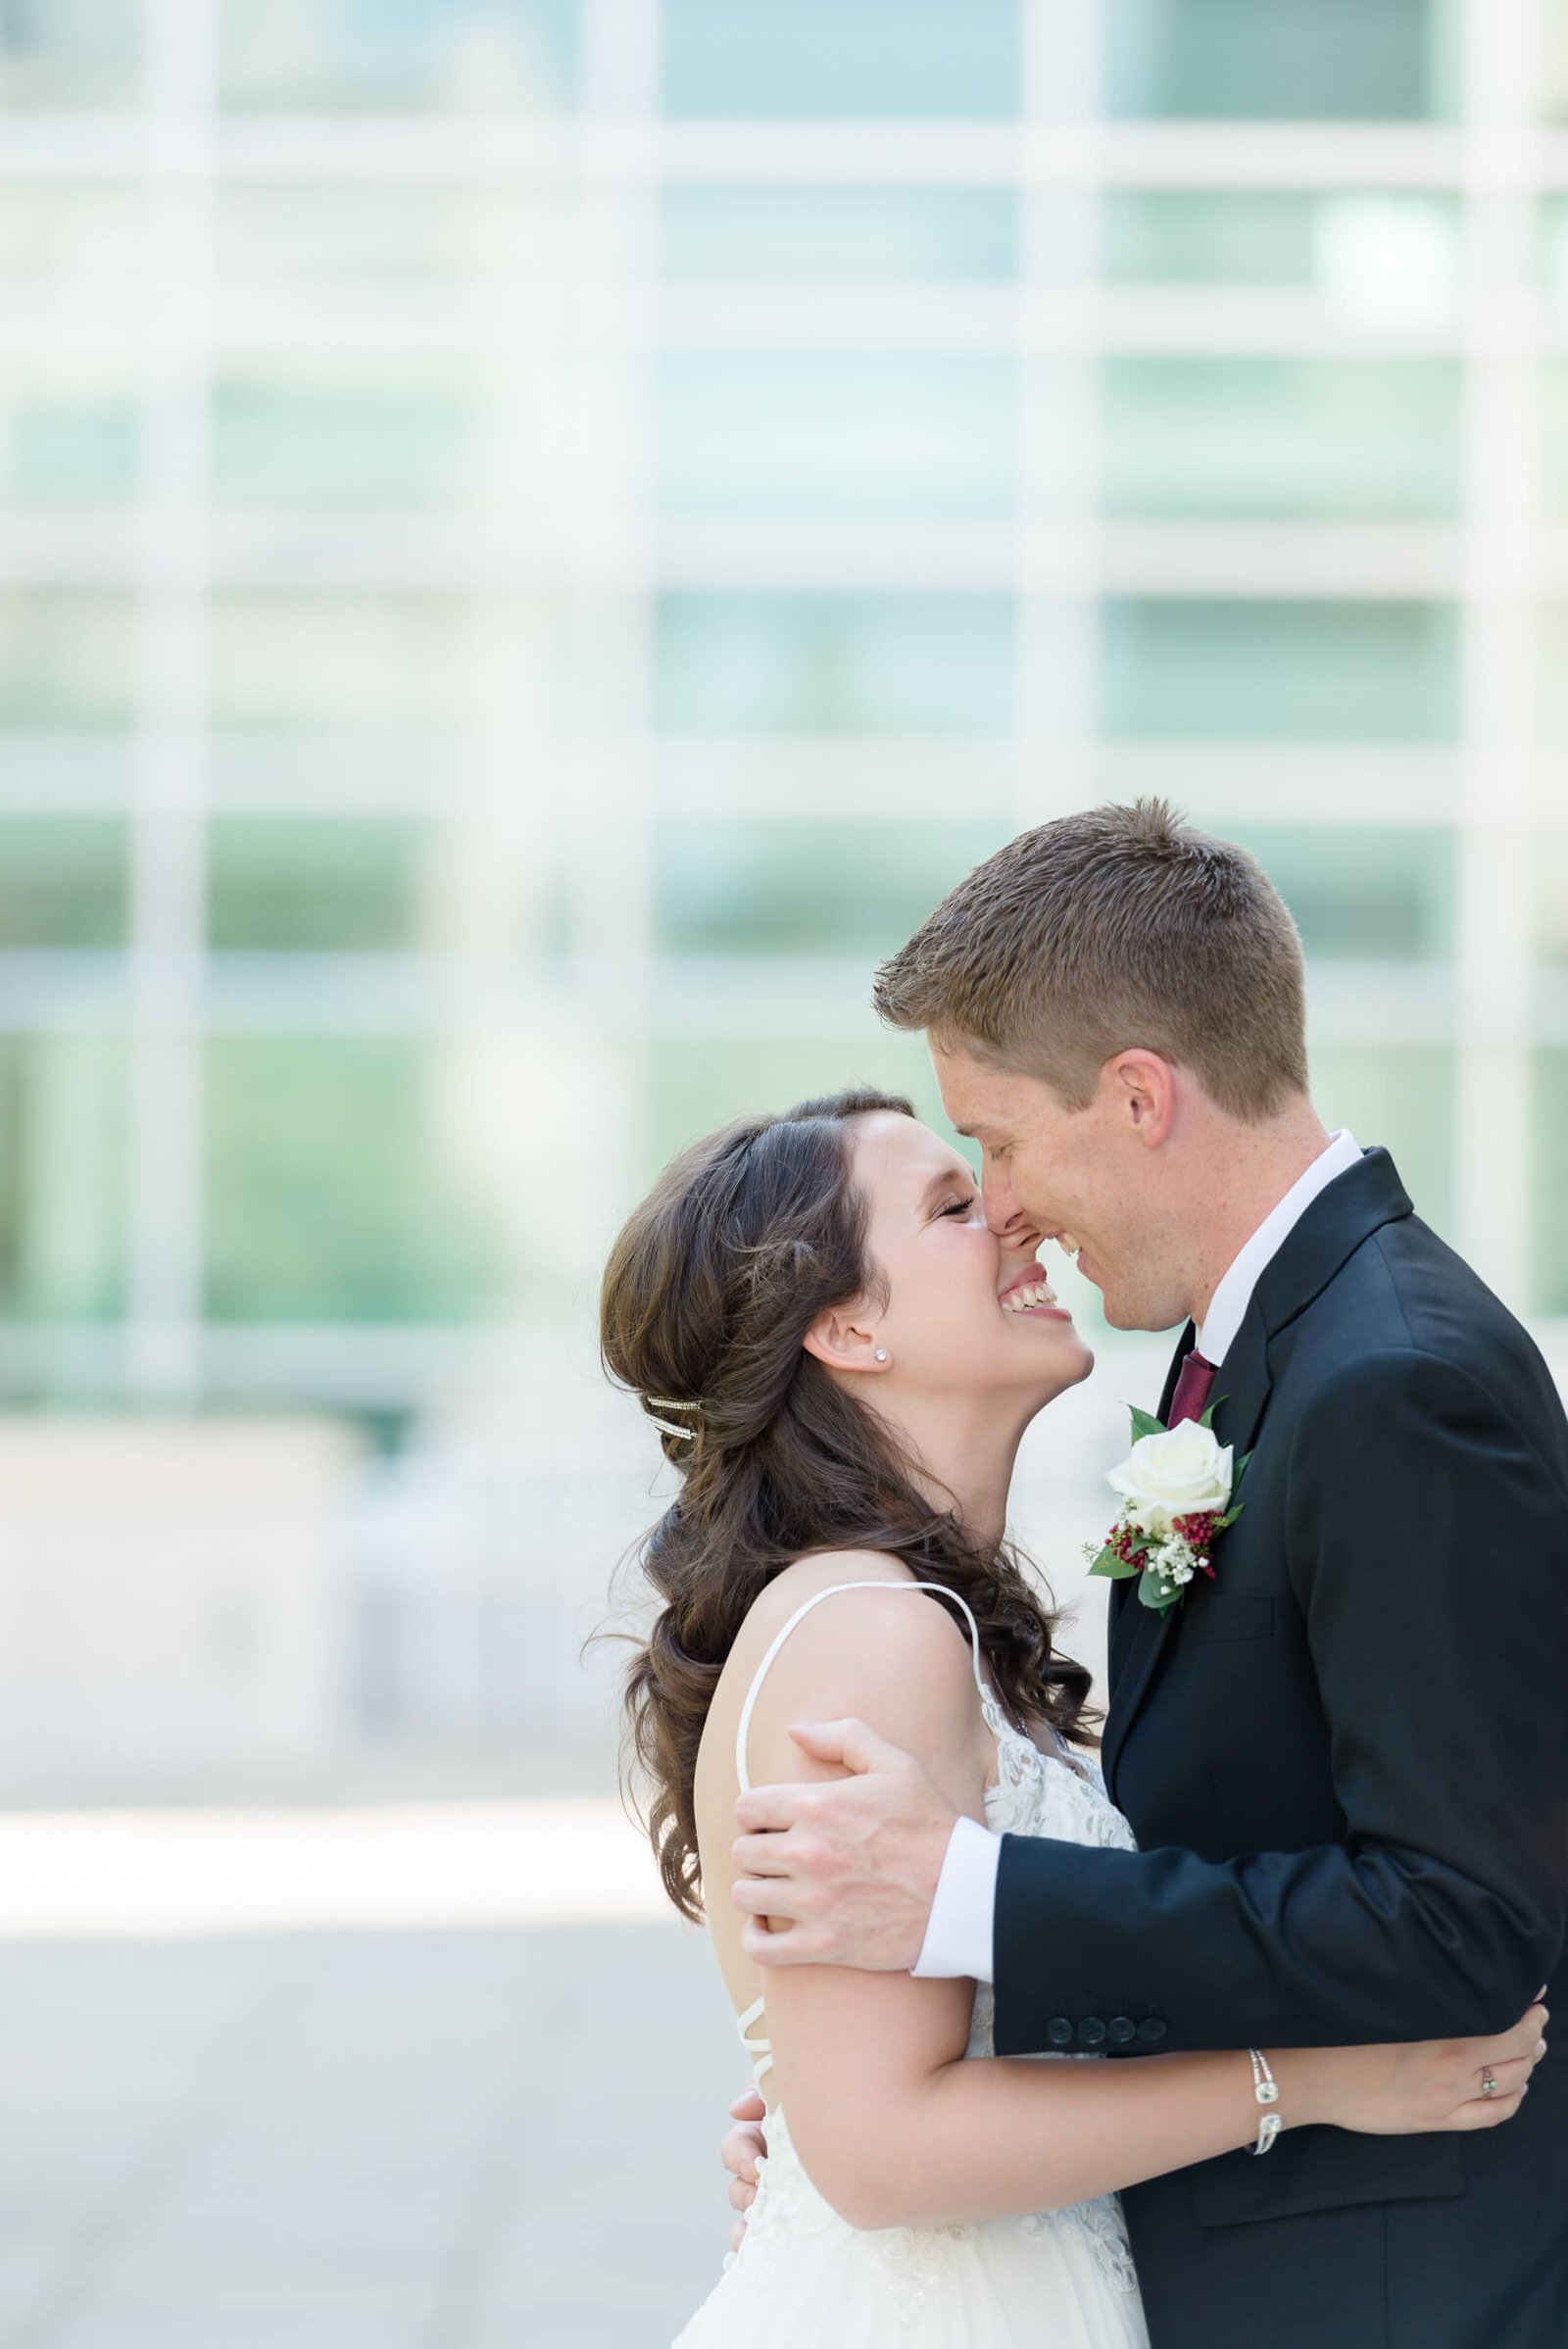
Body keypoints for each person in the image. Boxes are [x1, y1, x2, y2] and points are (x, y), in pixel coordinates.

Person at [720, 802, 1568, 2349]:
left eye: (997, 1142)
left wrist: (970, 1902)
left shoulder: (1390, 1380)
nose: (1012, 1207)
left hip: (1386, 2289)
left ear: (1135, 1097)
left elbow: (1463, 1914)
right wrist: (873, 2093)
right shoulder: (1248, 1353)